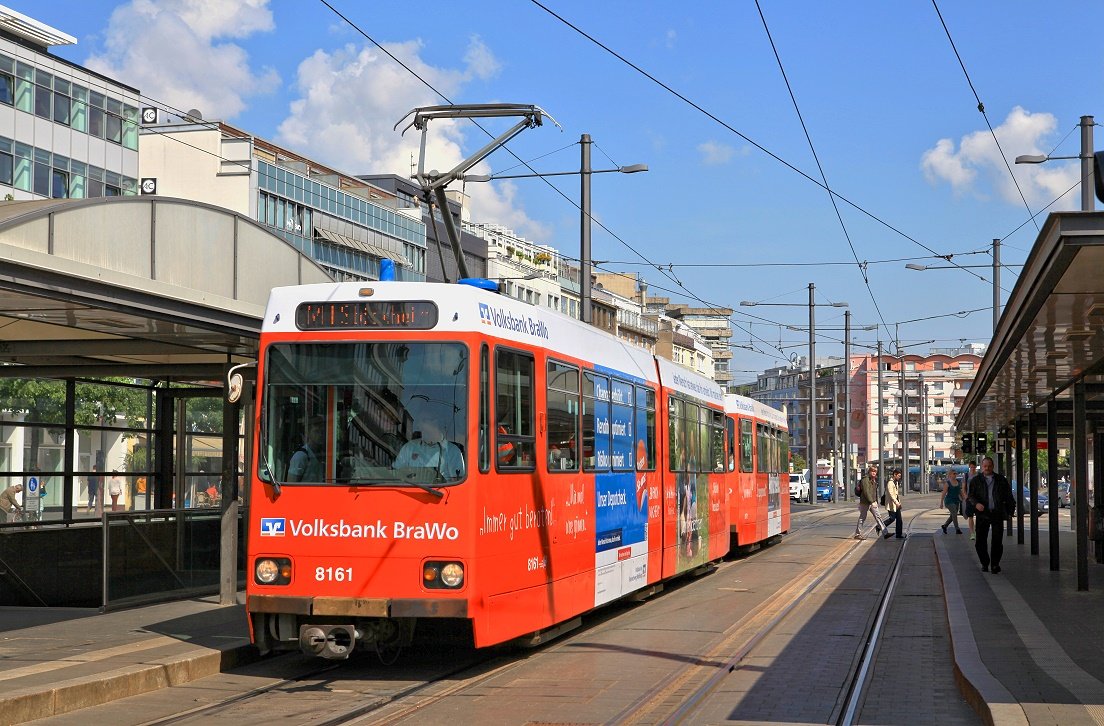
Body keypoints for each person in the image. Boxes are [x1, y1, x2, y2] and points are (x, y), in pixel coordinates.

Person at [966, 456, 1016, 574]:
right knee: (980, 541)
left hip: (997, 513)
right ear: (982, 467)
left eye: (989, 466)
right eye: (985, 466)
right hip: (983, 514)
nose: (987, 468)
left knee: (997, 541)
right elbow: (970, 496)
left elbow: (1009, 496)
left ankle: (995, 564)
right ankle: (985, 562)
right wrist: (976, 504)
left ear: (993, 466)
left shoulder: (1001, 480)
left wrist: (1010, 512)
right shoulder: (976, 480)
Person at [393, 419, 465, 480]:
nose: (419, 425)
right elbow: (396, 473)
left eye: (424, 421)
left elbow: (456, 481)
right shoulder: (409, 447)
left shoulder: (452, 451)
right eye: (419, 421)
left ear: (435, 423)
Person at [288, 417, 326, 482]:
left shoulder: (324, 455)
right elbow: (291, 484)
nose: (320, 435)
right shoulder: (300, 456)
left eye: (322, 432)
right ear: (308, 433)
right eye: (316, 431)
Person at [853, 463, 885, 539]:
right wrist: (872, 501)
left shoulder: (873, 480)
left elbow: (874, 492)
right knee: (862, 518)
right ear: (869, 472)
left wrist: (876, 501)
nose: (874, 473)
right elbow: (866, 492)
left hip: (872, 502)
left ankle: (885, 532)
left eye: (875, 471)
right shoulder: (865, 479)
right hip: (865, 502)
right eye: (872, 471)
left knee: (878, 517)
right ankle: (857, 534)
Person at [882, 468, 905, 539]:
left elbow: (896, 494)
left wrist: (899, 503)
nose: (899, 477)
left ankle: (898, 534)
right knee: (892, 518)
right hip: (892, 504)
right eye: (898, 476)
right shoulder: (890, 483)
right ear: (894, 475)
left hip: (896, 504)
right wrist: (896, 503)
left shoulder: (896, 482)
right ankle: (880, 526)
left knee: (899, 520)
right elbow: (891, 494)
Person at [941, 470, 963, 534]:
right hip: (949, 501)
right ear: (950, 475)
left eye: (956, 473)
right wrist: (941, 503)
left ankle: (945, 526)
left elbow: (960, 491)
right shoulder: (947, 483)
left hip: (956, 501)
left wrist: (964, 498)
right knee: (954, 513)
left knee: (953, 515)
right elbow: (944, 493)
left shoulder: (958, 482)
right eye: (954, 474)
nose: (955, 475)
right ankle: (957, 529)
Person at [962, 461, 978, 540]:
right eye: (971, 467)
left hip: (978, 498)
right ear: (969, 467)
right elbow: (963, 487)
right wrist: (965, 496)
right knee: (970, 516)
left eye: (974, 467)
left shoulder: (979, 475)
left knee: (979, 516)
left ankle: (977, 532)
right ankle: (972, 533)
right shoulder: (966, 475)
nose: (972, 469)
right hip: (969, 498)